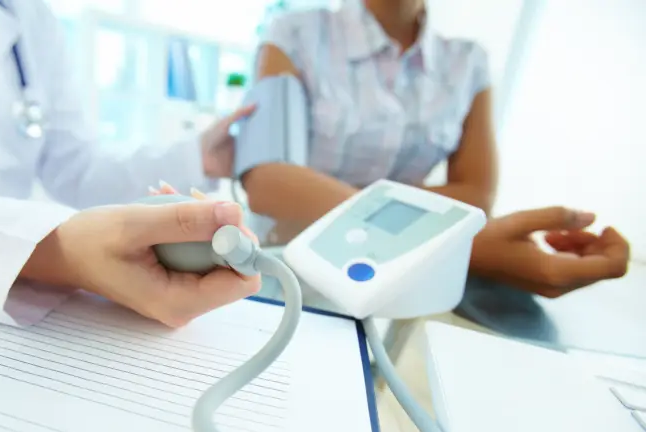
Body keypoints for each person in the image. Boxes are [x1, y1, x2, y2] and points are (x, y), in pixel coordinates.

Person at [0, 0, 256, 334]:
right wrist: (58, 248)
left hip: (16, 314)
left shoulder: (24, 14)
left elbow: (75, 165)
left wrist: (197, 157)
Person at [243, 0, 629, 298]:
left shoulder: (467, 62)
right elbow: (269, 180)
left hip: (389, 289)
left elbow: (475, 195)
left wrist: (316, 197)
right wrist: (466, 246)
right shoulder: (293, 32)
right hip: (276, 274)